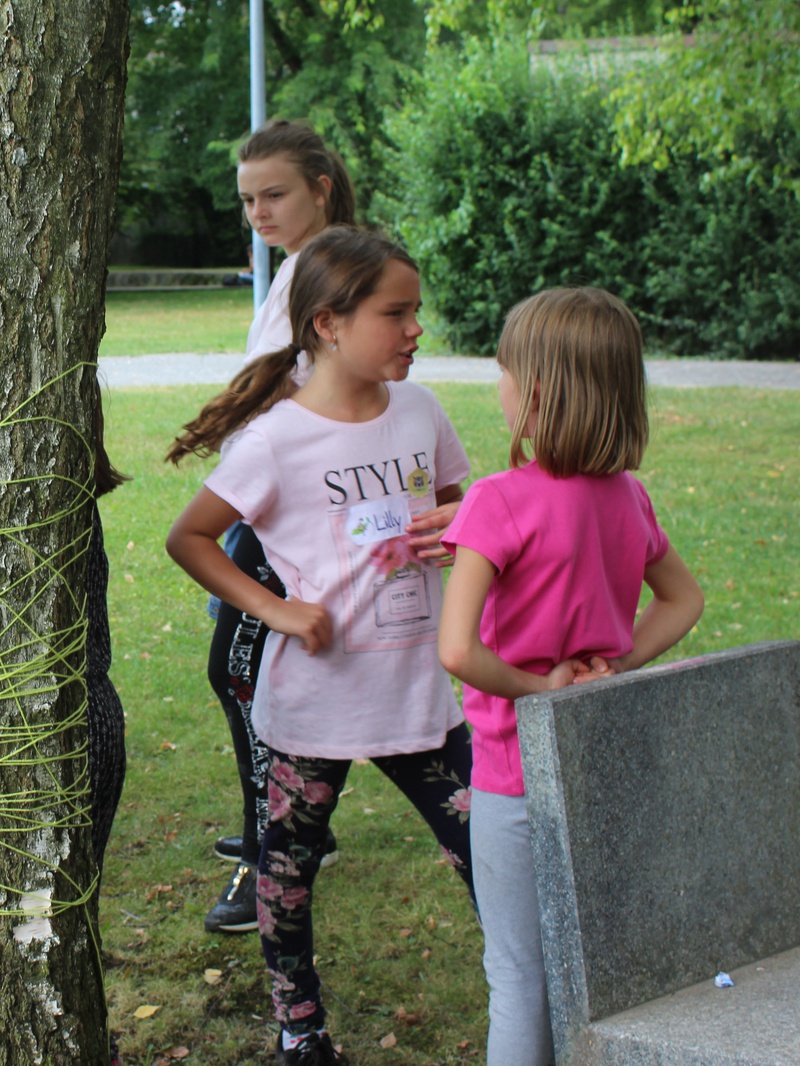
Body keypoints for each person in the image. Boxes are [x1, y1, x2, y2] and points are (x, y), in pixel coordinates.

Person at [166, 227, 475, 1066]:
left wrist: (459, 526)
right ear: (330, 324)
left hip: (420, 692)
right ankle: (300, 1030)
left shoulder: (421, 410)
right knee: (288, 872)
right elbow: (190, 537)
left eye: (416, 310)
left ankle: (534, 989)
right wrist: (276, 609)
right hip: (316, 702)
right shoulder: (276, 439)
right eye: (396, 313)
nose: (416, 328)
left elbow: (459, 502)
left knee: (492, 852)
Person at [438, 288, 704, 1066]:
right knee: (598, 968)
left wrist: (541, 690)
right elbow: (683, 600)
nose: (498, 385)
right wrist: (613, 667)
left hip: (514, 778)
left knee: (520, 977)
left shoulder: (494, 502)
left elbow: (457, 650)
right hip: (609, 767)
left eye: (505, 370)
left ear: (537, 392)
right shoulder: (629, 498)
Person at [201, 121, 356, 934]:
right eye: (247, 199)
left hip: (289, 508)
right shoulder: (298, 264)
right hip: (262, 504)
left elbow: (312, 388)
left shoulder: (330, 269)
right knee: (249, 671)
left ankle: (280, 847)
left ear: (320, 189)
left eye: (274, 194)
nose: (257, 211)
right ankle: (285, 828)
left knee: (243, 671)